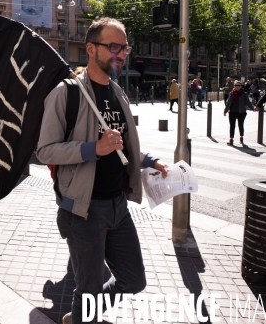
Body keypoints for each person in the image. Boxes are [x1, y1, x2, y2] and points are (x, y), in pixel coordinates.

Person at [37, 18, 168, 324]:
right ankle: (84, 316)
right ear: (91, 49)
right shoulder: (66, 93)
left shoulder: (118, 93)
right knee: (89, 287)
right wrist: (92, 149)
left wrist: (150, 161)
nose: (121, 54)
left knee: (134, 280)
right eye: (113, 47)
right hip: (83, 211)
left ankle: (82, 315)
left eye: (124, 47)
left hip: (117, 207)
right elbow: (44, 150)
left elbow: (121, 145)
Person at [224, 80, 255, 145]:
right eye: (235, 85)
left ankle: (241, 137)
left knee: (240, 125)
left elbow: (247, 102)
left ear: (241, 86)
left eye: (238, 85)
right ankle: (231, 139)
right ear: (234, 86)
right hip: (232, 112)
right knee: (232, 126)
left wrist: (252, 108)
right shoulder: (231, 93)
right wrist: (225, 111)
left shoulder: (244, 93)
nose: (237, 87)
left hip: (241, 112)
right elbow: (228, 102)